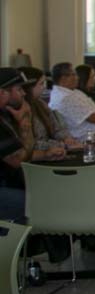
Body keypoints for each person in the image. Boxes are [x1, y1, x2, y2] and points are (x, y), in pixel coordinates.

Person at [19, 66, 80, 155]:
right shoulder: (20, 109)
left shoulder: (41, 104)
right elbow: (32, 144)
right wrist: (61, 145)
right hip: (39, 158)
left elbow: (57, 128)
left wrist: (66, 138)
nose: (44, 87)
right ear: (28, 87)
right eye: (41, 84)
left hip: (55, 151)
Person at [48, 62, 95, 139]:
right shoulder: (65, 98)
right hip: (93, 135)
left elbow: (91, 109)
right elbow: (93, 118)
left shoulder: (73, 91)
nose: (77, 78)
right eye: (74, 75)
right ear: (63, 78)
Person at [0, 68, 32, 221]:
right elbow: (17, 159)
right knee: (43, 202)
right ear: (2, 92)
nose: (24, 94)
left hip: (9, 183)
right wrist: (25, 124)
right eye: (19, 89)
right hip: (3, 189)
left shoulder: (6, 115)